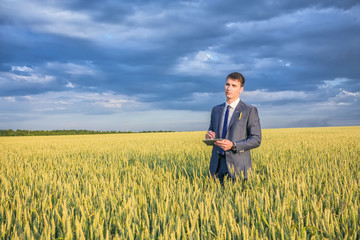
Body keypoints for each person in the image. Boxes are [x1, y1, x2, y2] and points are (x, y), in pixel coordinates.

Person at [205, 72, 261, 184]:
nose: (229, 88)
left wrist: (233, 145)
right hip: (217, 166)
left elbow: (256, 139)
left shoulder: (249, 110)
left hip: (238, 167)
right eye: (227, 84)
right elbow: (212, 132)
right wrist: (209, 137)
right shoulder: (216, 110)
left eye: (234, 85)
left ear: (241, 89)